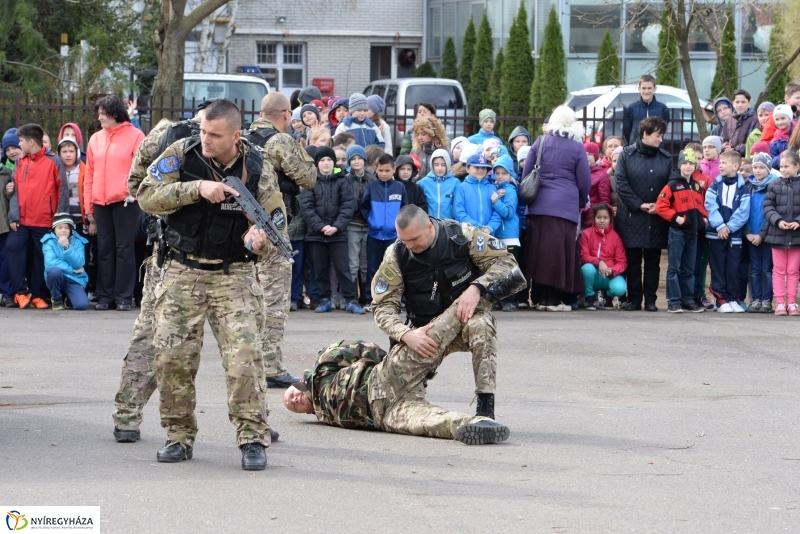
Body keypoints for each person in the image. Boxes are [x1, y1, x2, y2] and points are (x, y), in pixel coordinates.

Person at [137, 99, 275, 470]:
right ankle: (179, 436)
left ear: (234, 135)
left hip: (234, 275)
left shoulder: (258, 165)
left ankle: (252, 438)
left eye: (214, 135)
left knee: (245, 357)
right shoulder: (182, 153)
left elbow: (275, 219)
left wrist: (258, 238)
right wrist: (195, 188)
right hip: (184, 271)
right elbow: (146, 196)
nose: (206, 139)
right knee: (172, 358)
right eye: (203, 131)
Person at [370, 204, 526, 420]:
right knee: (388, 395)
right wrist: (405, 334)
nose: (408, 245)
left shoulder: (461, 236)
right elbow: (382, 305)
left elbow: (507, 263)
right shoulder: (396, 254)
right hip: (424, 333)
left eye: (414, 239)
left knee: (482, 326)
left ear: (430, 227)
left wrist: (477, 287)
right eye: (404, 240)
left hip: (465, 321)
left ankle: (485, 408)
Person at [283, 313, 511, 445]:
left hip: (383, 378)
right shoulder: (321, 414)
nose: (294, 400)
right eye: (294, 407)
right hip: (385, 414)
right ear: (306, 413)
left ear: (299, 383)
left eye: (291, 395)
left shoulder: (322, 368)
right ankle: (477, 425)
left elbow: (364, 349)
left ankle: (472, 303)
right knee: (428, 423)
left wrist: (398, 366)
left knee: (432, 338)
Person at [245, 92, 318, 388]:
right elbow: (309, 176)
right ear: (286, 115)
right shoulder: (280, 141)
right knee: (274, 298)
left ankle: (247, 360)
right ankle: (271, 365)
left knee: (247, 297)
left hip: (240, 225)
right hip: (272, 225)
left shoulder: (243, 137)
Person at [520, 106, 591, 312]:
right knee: (559, 253)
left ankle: (541, 297)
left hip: (538, 205)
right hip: (564, 206)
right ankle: (553, 300)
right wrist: (579, 202)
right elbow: (584, 182)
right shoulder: (577, 148)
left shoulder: (540, 142)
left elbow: (526, 174)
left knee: (539, 251)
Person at [84, 95, 145, 311]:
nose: (99, 117)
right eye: (99, 113)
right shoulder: (95, 139)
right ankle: (105, 296)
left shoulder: (136, 136)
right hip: (100, 201)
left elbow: (143, 170)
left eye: (103, 113)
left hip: (126, 201)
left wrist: (133, 193)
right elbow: (89, 175)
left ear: (115, 114)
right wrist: (88, 207)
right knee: (104, 249)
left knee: (124, 248)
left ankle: (124, 297)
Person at [615, 116, 678, 312]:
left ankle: (650, 300)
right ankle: (634, 299)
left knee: (653, 261)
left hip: (656, 216)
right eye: (658, 136)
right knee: (633, 261)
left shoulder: (665, 158)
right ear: (645, 134)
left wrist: (658, 205)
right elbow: (621, 184)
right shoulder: (626, 155)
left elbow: (672, 183)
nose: (661, 140)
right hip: (632, 216)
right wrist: (639, 204)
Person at [6, 123, 69, 309]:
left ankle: (38, 294)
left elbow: (63, 191)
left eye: (20, 141)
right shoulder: (20, 160)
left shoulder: (54, 161)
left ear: (31, 141)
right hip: (22, 220)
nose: (19, 145)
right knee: (12, 248)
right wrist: (13, 216)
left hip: (44, 220)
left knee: (40, 258)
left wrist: (58, 220)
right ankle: (20, 292)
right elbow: (15, 190)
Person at [299, 146, 362, 314]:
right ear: (317, 163)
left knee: (343, 268)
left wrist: (336, 226)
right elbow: (306, 208)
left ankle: (350, 300)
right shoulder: (310, 182)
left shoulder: (342, 180)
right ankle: (324, 299)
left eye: (329, 160)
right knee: (320, 269)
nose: (326, 163)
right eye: (322, 160)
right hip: (316, 235)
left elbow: (348, 206)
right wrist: (320, 226)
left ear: (333, 162)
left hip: (338, 234)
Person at [655, 148, 708, 314]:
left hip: (693, 233)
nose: (688, 166)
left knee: (690, 268)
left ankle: (688, 300)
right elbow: (660, 206)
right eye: (685, 163)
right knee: (675, 267)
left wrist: (703, 218)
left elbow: (701, 206)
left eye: (691, 163)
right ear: (679, 165)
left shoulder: (697, 186)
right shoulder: (672, 185)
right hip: (677, 232)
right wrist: (676, 217)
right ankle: (674, 301)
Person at [705, 150, 750, 313]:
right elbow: (710, 205)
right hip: (716, 234)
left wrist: (729, 227)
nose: (721, 166)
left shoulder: (743, 188)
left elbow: (744, 211)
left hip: (735, 236)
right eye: (720, 163)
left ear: (736, 166)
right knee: (718, 266)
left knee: (734, 267)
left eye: (724, 163)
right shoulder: (715, 185)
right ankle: (721, 299)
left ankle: (733, 298)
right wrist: (720, 226)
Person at [361, 153, 406, 310]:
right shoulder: (372, 187)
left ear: (393, 169)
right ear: (376, 170)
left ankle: (396, 299)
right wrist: (372, 221)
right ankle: (369, 298)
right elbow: (364, 206)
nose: (384, 173)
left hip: (393, 236)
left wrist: (398, 226)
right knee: (373, 267)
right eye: (381, 170)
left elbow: (404, 209)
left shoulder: (400, 187)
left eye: (387, 170)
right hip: (374, 235)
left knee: (395, 267)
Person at [762, 149, 800, 316]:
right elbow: (768, 206)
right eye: (781, 166)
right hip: (777, 235)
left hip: (797, 236)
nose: (783, 169)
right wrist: (778, 221)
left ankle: (791, 302)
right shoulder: (774, 184)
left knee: (793, 270)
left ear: (797, 167)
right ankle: (779, 302)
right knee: (778, 270)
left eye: (787, 166)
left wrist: (798, 221)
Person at [745, 152, 779, 313]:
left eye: (761, 167)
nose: (757, 171)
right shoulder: (749, 186)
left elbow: (770, 213)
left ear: (768, 169)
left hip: (766, 235)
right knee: (755, 269)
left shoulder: (773, 186)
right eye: (755, 167)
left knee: (767, 269)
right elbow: (743, 212)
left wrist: (761, 234)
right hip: (751, 235)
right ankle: (756, 299)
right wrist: (748, 233)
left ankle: (767, 300)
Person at [580, 204, 627, 310]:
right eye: (599, 217)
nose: (602, 221)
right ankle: (590, 296)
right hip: (594, 274)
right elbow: (584, 256)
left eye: (605, 218)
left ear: (610, 219)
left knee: (620, 288)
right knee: (586, 269)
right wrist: (599, 262)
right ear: (594, 218)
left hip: (609, 275)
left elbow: (622, 261)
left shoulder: (616, 237)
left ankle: (608, 296)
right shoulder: (586, 234)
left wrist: (612, 271)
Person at [344, 145, 374, 306]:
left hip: (369, 225)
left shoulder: (372, 179)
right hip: (352, 225)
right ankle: (352, 296)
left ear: (364, 160)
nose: (356, 161)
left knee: (365, 263)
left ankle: (366, 296)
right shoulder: (346, 179)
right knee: (353, 263)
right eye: (353, 159)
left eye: (359, 158)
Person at [489, 154, 520, 311]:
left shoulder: (511, 190)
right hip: (498, 236)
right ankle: (499, 299)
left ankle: (511, 300)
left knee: (510, 270)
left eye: (504, 173)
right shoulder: (496, 188)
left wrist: (495, 202)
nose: (500, 176)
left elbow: (508, 212)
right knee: (498, 270)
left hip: (509, 236)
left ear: (511, 174)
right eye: (497, 173)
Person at [41, 212, 89, 310]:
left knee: (82, 305)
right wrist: (72, 270)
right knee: (54, 271)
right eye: (60, 227)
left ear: (71, 229)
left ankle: (68, 299)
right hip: (58, 277)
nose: (63, 230)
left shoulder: (79, 241)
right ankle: (56, 299)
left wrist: (67, 247)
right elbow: (50, 263)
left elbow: (79, 263)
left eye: (67, 228)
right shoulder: (48, 241)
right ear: (54, 229)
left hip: (73, 279)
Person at [0, 128, 22, 307]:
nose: (11, 152)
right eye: (8, 150)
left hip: (5, 224)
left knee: (7, 259)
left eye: (14, 147)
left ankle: (8, 293)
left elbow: (8, 200)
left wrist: (9, 193)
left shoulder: (7, 173)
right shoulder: (7, 170)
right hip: (7, 222)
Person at [454, 154, 500, 235]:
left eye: (483, 168)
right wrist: (477, 226)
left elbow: (497, 212)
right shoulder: (461, 187)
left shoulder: (492, 188)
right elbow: (459, 212)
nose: (480, 170)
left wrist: (490, 227)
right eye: (476, 167)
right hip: (468, 234)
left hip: (488, 234)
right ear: (467, 169)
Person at [622, 75, 671, 146]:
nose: (646, 91)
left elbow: (663, 129)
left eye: (649, 88)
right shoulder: (631, 108)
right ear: (639, 89)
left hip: (656, 149)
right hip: (636, 148)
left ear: (655, 88)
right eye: (643, 88)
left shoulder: (663, 109)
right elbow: (627, 131)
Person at [417, 148, 459, 219]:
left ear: (448, 165)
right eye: (436, 165)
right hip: (430, 224)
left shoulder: (455, 183)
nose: (440, 168)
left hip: (448, 225)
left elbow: (458, 206)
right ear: (432, 165)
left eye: (443, 165)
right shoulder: (423, 183)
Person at [581, 142, 612, 230]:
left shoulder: (601, 175)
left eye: (590, 154)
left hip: (592, 219)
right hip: (578, 217)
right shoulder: (578, 172)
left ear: (595, 156)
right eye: (584, 153)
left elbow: (604, 200)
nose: (586, 156)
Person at [720, 89, 760, 156]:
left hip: (747, 159)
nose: (740, 105)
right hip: (731, 158)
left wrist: (735, 149)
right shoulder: (729, 120)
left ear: (749, 103)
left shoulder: (756, 119)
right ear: (733, 104)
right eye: (737, 102)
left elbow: (755, 142)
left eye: (743, 102)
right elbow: (723, 139)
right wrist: (726, 147)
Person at [769, 105, 795, 169]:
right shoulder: (774, 141)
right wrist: (781, 155)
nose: (780, 122)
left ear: (790, 118)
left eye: (783, 118)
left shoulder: (797, 133)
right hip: (783, 171)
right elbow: (771, 163)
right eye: (777, 119)